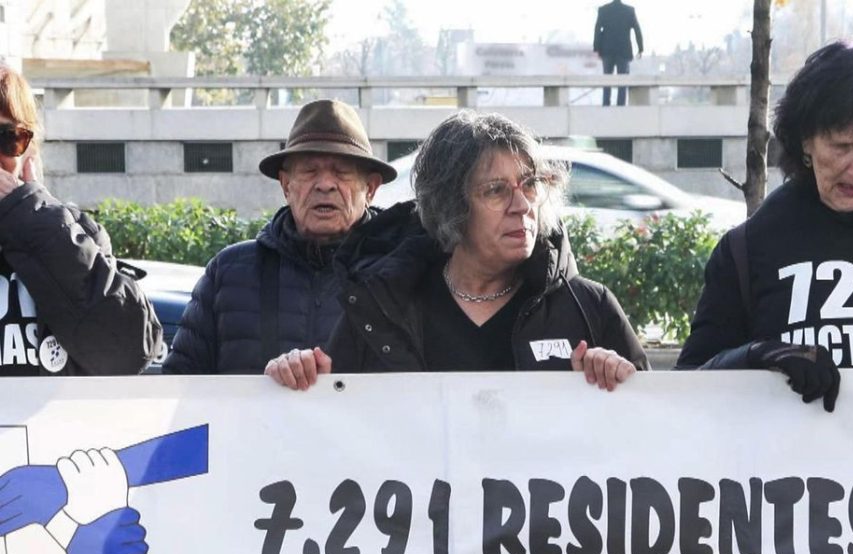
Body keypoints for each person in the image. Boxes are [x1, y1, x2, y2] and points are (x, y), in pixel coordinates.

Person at [265, 110, 649, 390]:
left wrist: (621, 383)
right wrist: (297, 381)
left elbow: (655, 435)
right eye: (496, 190)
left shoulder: (589, 307)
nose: (522, 206)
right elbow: (330, 432)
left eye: (529, 185)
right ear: (450, 207)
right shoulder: (382, 306)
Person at [675, 41, 853, 412]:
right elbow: (689, 386)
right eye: (841, 147)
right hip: (788, 468)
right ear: (805, 142)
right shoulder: (747, 248)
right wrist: (755, 356)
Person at [162, 99, 396, 374]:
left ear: (370, 188)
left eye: (341, 172)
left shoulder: (403, 273)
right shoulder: (228, 272)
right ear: (286, 185)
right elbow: (180, 387)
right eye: (310, 171)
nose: (324, 185)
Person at [0, 64, 161, 376]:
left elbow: (129, 353)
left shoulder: (74, 232)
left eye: (8, 139)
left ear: (30, 151)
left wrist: (31, 214)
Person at [593, 0, 644, 107]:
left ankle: (606, 104)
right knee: (623, 80)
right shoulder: (629, 11)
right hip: (623, 50)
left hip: (607, 50)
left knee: (607, 79)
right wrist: (640, 49)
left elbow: (597, 29)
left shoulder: (603, 10)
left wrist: (596, 48)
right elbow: (637, 30)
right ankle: (621, 105)